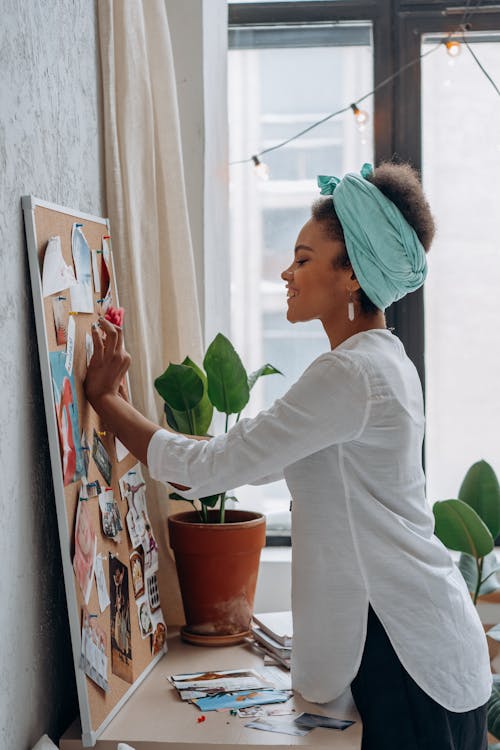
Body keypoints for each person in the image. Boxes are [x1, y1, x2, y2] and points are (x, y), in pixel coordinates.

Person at [84, 161, 491, 749]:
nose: (286, 272)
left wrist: (103, 401)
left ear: (351, 275)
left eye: (303, 259)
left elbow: (210, 472)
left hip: (407, 654)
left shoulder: (350, 373)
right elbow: (242, 457)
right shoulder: (383, 361)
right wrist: (124, 417)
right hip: (428, 638)